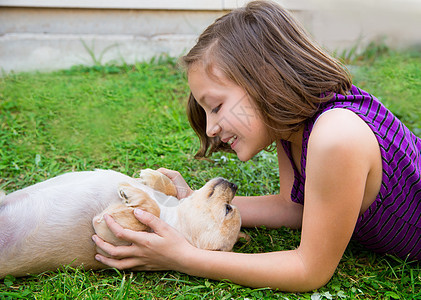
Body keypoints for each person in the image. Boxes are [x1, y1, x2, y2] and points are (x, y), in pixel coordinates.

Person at [92, 0, 421, 291]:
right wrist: (192, 202)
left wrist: (184, 257)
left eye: (217, 107)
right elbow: (294, 207)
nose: (211, 128)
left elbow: (309, 270)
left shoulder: (336, 136)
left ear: (267, 81)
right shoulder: (292, 124)